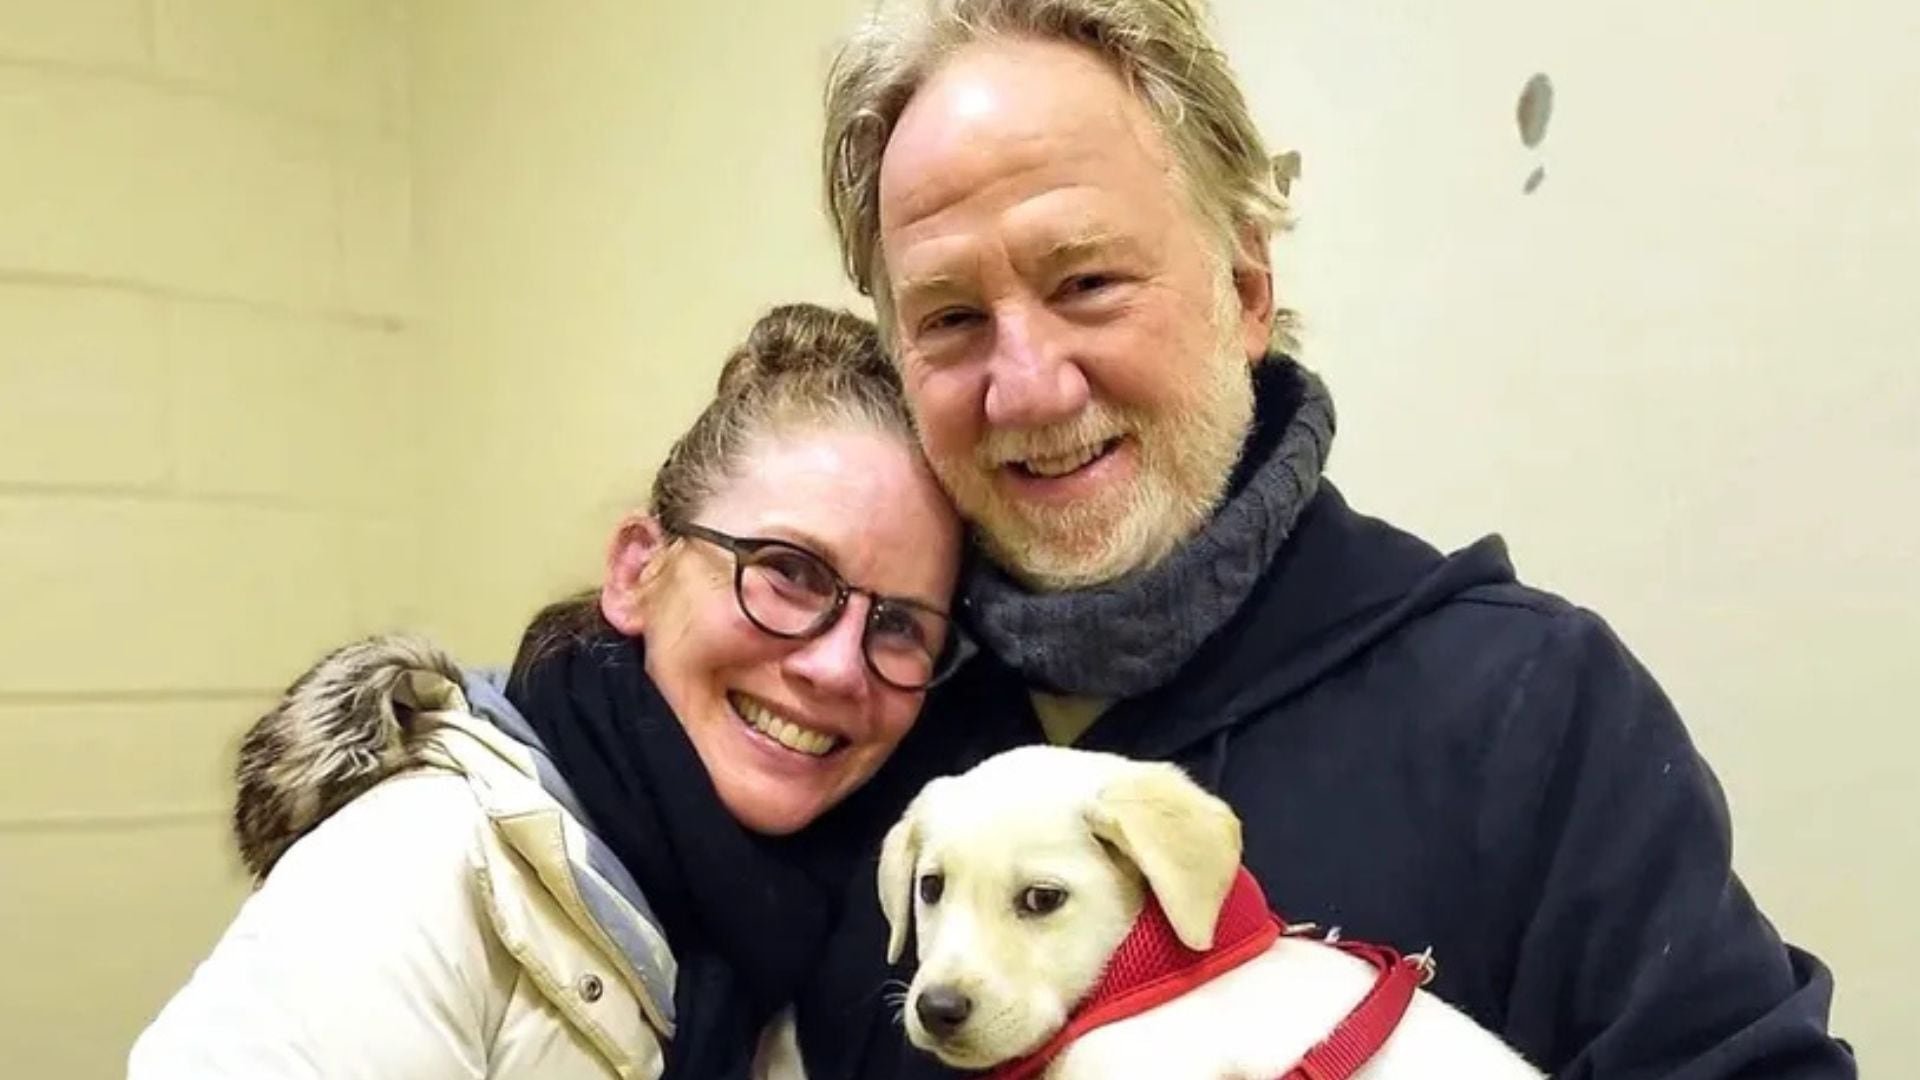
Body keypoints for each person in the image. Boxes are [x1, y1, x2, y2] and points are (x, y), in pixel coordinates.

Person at [810, 1, 1857, 1077]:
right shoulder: (865, 730)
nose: (1027, 385)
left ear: (1247, 290)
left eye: (1087, 283)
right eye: (949, 318)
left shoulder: (1527, 708)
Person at [128, 304, 973, 1080]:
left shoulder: (860, 946)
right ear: (638, 571)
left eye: (900, 625)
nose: (836, 666)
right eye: (788, 573)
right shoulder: (418, 868)